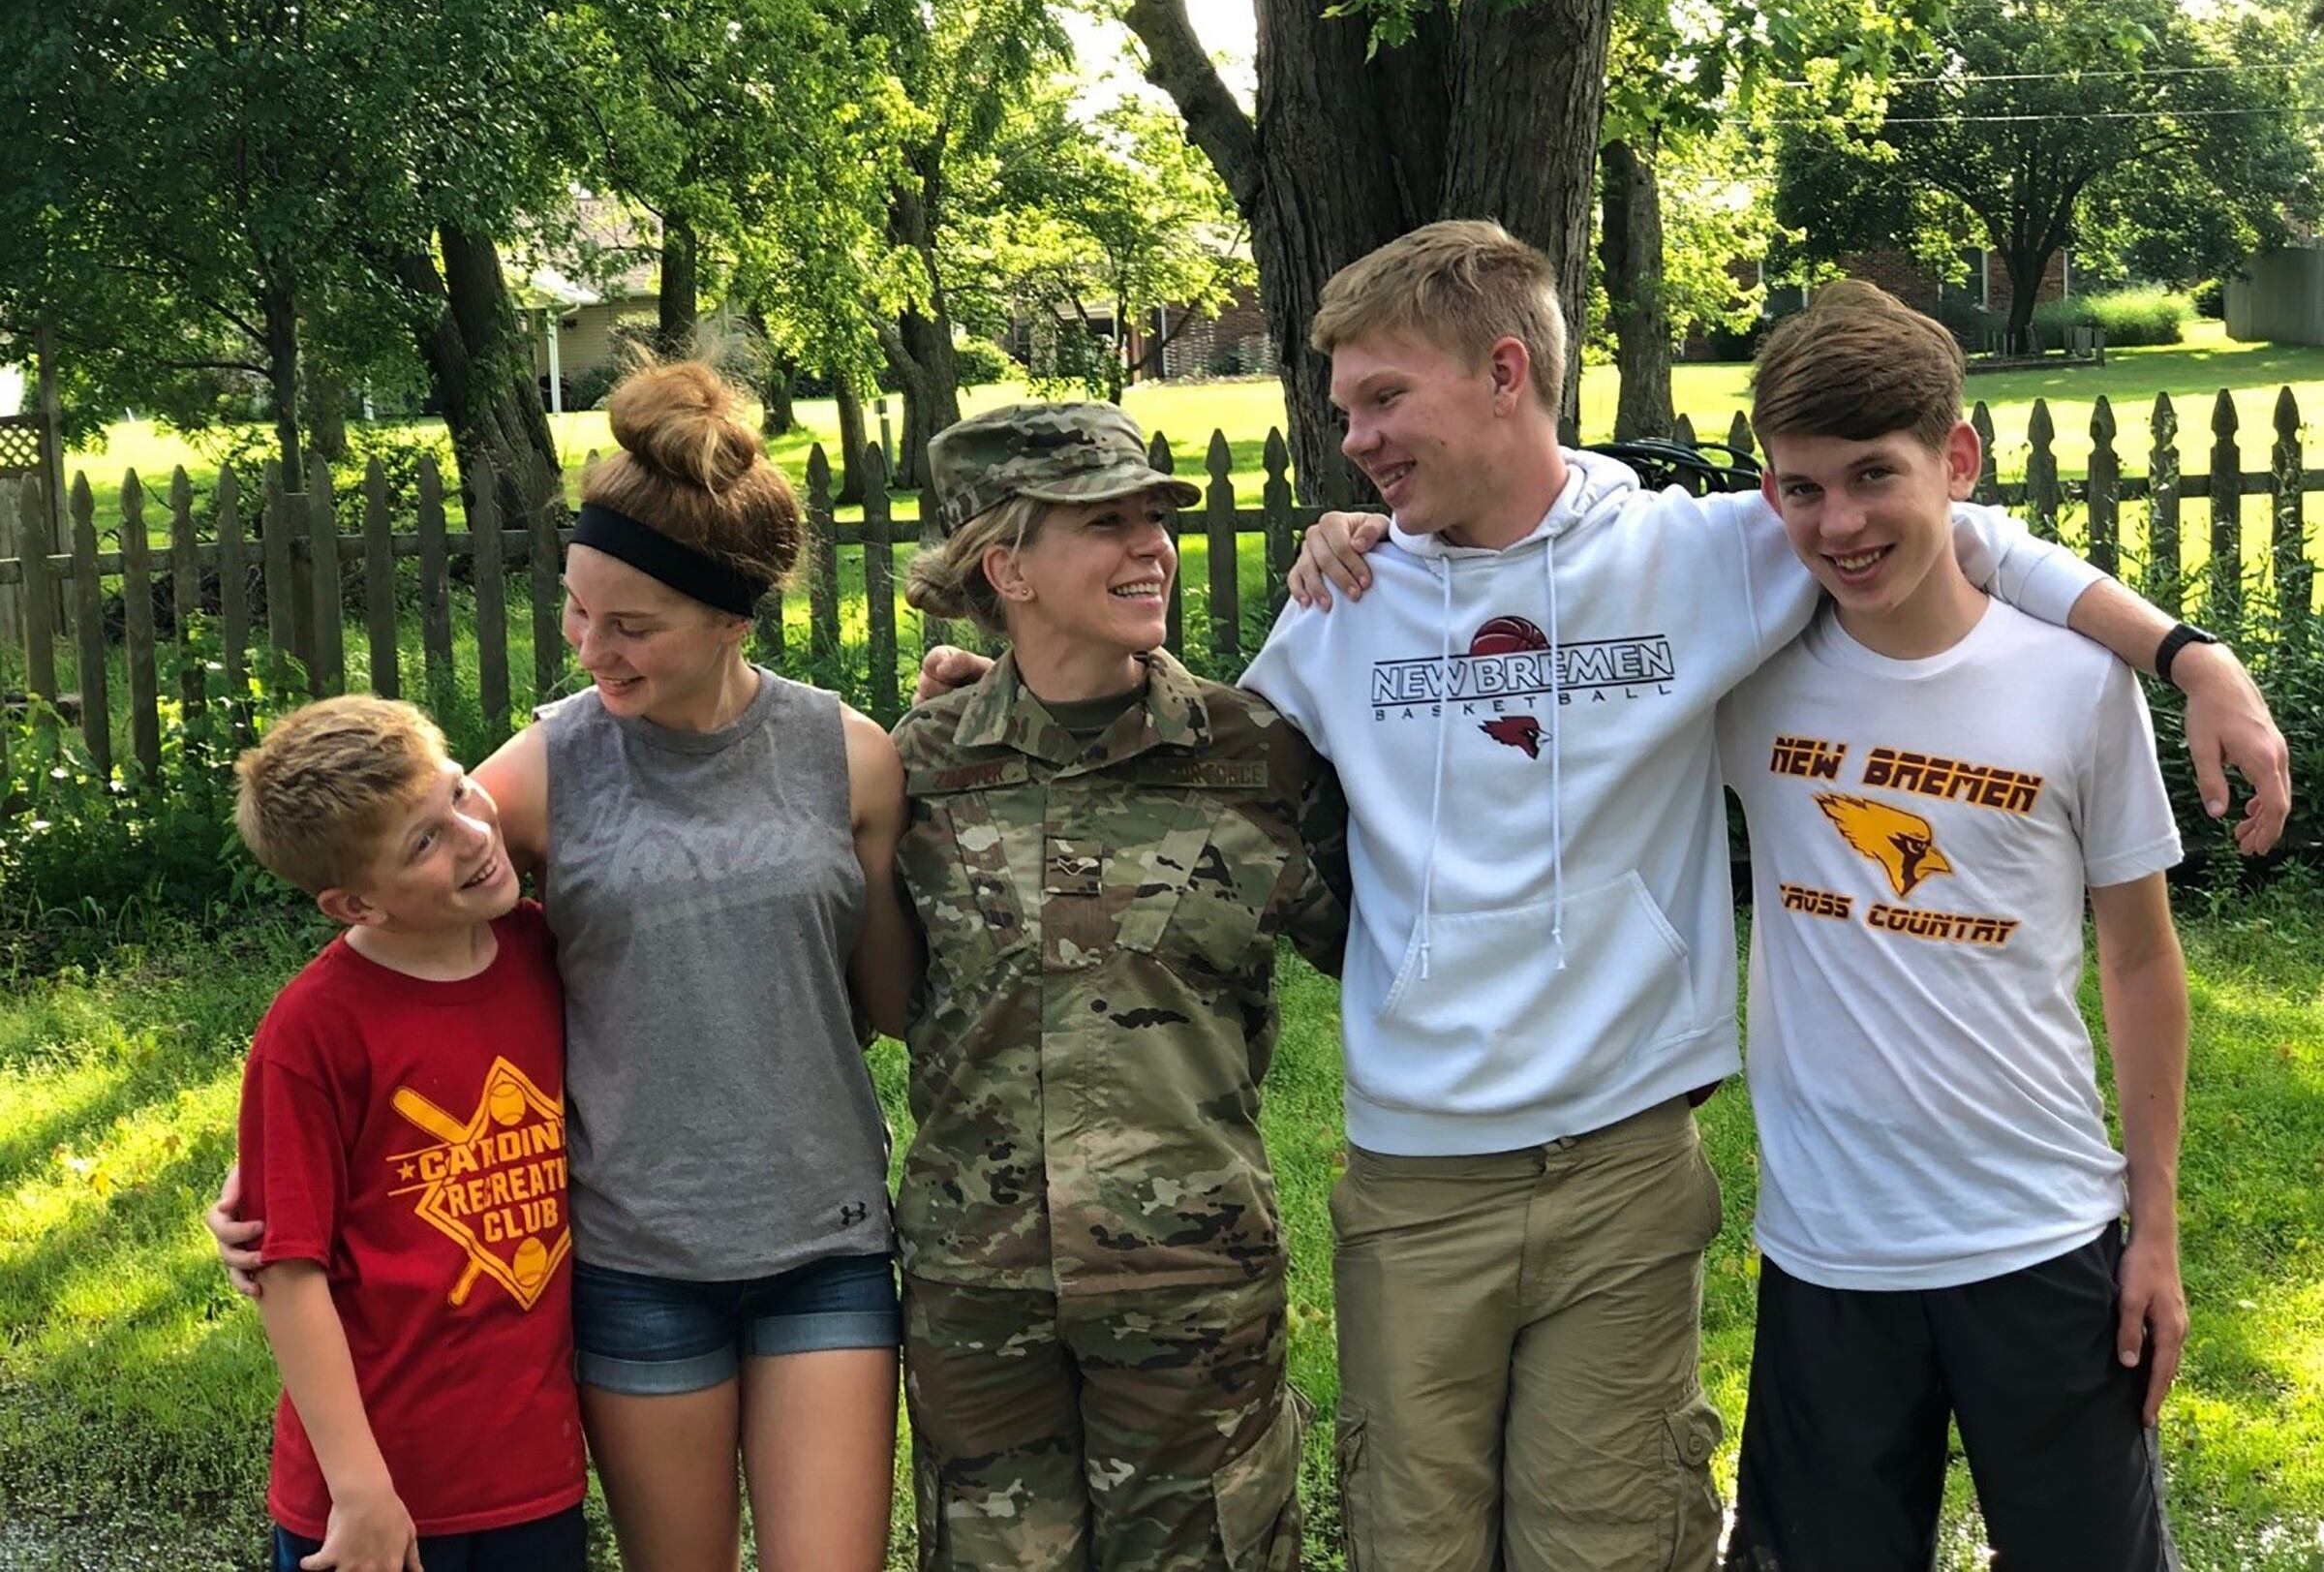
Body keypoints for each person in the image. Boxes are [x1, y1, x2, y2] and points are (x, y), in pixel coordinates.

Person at [946, 220, 2284, 1571]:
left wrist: (2187, 656)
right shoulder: (1345, 597)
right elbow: (1203, 755)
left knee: (1612, 1546)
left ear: (1506, 373)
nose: (1353, 437)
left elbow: (1953, 528)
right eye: (1345, 406)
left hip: (1626, 1166)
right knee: (1416, 1544)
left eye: (1383, 398)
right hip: (1418, 1176)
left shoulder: (1697, 558)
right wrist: (1007, 685)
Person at [217, 358, 921, 1572]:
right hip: (633, 1261)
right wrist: (260, 1182)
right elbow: (392, 899)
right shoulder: (548, 768)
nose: (591, 646)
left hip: (826, 1241)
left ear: (732, 618)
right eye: (577, 608)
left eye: (632, 626)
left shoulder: (847, 760)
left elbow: (890, 1002)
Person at [1715, 282, 2190, 1570]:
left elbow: (2141, 961)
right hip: (1829, 1251)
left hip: (2041, 1237)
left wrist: (2155, 1229)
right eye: (1801, 488)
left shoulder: (2074, 684)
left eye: (1876, 475)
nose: (1841, 523)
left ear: (1958, 462)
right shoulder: (1744, 672)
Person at [893, 401, 1349, 1571]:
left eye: (1155, 517)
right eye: (1106, 522)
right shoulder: (917, 770)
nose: (1150, 544)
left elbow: (1396, 949)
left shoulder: (1258, 759)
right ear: (1008, 567)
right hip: (977, 1289)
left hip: (1192, 1281)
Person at [230, 694, 586, 1572]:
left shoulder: (546, 954)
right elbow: (288, 1271)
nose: (471, 835)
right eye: (423, 842)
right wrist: (359, 1491)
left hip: (531, 1476)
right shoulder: (313, 1035)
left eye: (461, 793)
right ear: (354, 903)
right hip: (372, 1501)